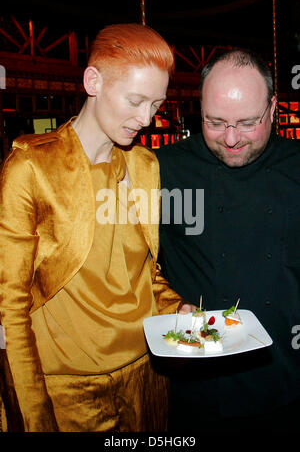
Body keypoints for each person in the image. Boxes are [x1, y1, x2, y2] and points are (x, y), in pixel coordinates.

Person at [0, 23, 190, 432]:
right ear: (93, 81)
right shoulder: (31, 168)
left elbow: (143, 272)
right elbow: (10, 306)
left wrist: (178, 309)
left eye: (156, 105)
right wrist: (31, 415)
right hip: (68, 389)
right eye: (135, 100)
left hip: (147, 377)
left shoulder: (145, 166)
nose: (146, 119)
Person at [156, 48, 300, 433]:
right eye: (215, 123)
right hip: (197, 390)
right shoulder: (162, 169)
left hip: (288, 381)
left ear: (273, 108)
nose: (232, 139)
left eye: (247, 122)